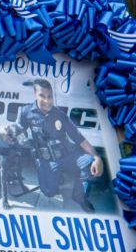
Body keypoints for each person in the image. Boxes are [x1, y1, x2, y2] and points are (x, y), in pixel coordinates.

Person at [15, 78, 103, 212]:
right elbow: (18, 131)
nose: (47, 100)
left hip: (66, 155)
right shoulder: (26, 112)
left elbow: (79, 138)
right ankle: (53, 176)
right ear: (35, 95)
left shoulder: (60, 115)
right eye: (42, 96)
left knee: (89, 161)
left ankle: (79, 196)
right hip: (46, 160)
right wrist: (24, 142)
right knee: (49, 192)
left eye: (50, 96)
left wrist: (97, 157)